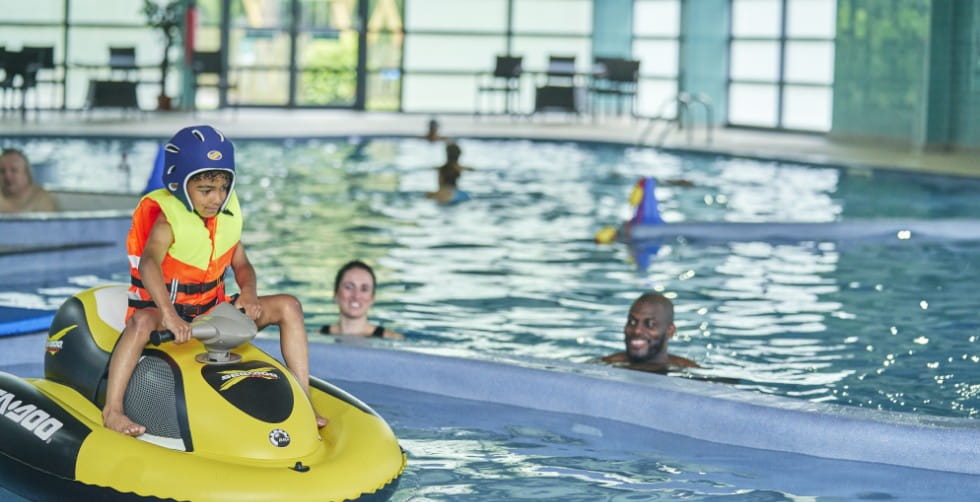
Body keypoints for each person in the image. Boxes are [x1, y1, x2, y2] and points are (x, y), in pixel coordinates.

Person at [102, 125, 327, 436]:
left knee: (289, 306)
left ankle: (304, 401)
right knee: (140, 322)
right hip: (171, 318)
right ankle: (113, 410)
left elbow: (242, 263)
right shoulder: (169, 221)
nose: (216, 198)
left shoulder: (225, 217)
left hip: (212, 312)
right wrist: (168, 315)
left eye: (223, 188)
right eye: (206, 190)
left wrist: (248, 293)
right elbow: (149, 263)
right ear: (180, 185)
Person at [600, 292, 699, 373]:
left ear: (670, 331)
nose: (637, 330)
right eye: (632, 322)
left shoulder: (689, 371)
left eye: (650, 324)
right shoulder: (605, 365)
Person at [320, 260, 403, 339]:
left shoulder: (393, 340)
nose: (356, 296)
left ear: (372, 298)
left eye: (364, 289)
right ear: (336, 294)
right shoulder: (316, 338)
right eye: (349, 287)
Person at [0, 148, 59, 213]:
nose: (7, 176)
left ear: (26, 174)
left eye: (14, 170)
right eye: (2, 171)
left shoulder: (40, 199)